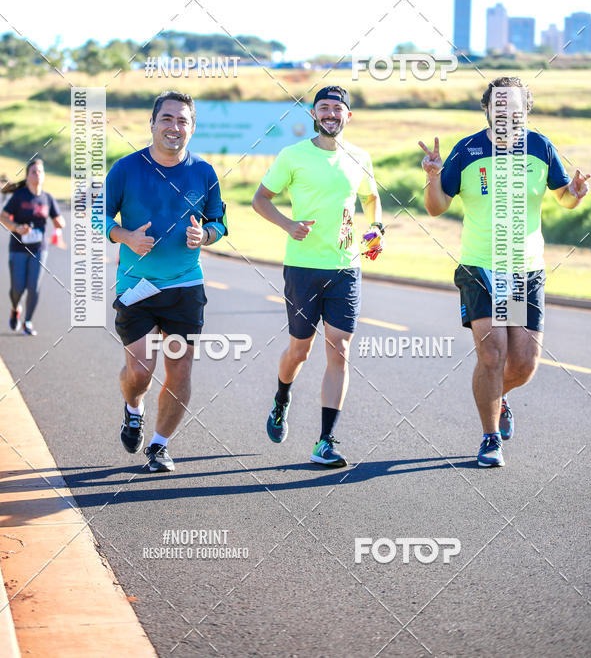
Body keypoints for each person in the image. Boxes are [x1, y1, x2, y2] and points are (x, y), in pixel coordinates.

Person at [419, 76, 590, 468]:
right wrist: (432, 177)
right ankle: (490, 437)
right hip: (481, 266)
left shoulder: (539, 147)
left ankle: (500, 396)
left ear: (524, 110)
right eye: (498, 107)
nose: (505, 114)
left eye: (513, 108)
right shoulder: (468, 149)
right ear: (486, 109)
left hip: (523, 270)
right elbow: (436, 207)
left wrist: (575, 194)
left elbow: (562, 197)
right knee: (493, 354)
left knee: (523, 364)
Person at [252, 86, 383, 468]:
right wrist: (288, 225)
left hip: (345, 267)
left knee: (339, 349)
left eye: (337, 108)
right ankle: (281, 398)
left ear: (347, 116)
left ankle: (325, 441)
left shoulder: (360, 157)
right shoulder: (293, 155)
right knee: (300, 350)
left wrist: (376, 229)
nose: (330, 114)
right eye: (323, 108)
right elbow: (260, 199)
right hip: (303, 268)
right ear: (313, 113)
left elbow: (371, 198)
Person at [104, 91, 227, 472]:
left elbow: (219, 222)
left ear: (192, 127)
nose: (175, 127)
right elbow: (97, 218)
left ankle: (159, 446)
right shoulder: (125, 169)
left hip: (185, 285)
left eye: (183, 121)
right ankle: (132, 407)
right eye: (168, 119)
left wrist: (204, 236)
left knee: (181, 369)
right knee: (140, 372)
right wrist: (125, 237)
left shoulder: (203, 172)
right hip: (136, 285)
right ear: (153, 123)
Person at [1, 158, 65, 335]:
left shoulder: (47, 198)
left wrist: (60, 222)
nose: (37, 175)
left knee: (34, 287)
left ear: (44, 176)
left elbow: (59, 220)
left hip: (39, 249)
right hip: (18, 248)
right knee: (18, 287)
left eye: (40, 172)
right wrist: (16, 227)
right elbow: (3, 216)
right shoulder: (19, 197)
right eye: (33, 172)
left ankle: (27, 321)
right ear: (27, 176)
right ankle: (15, 308)